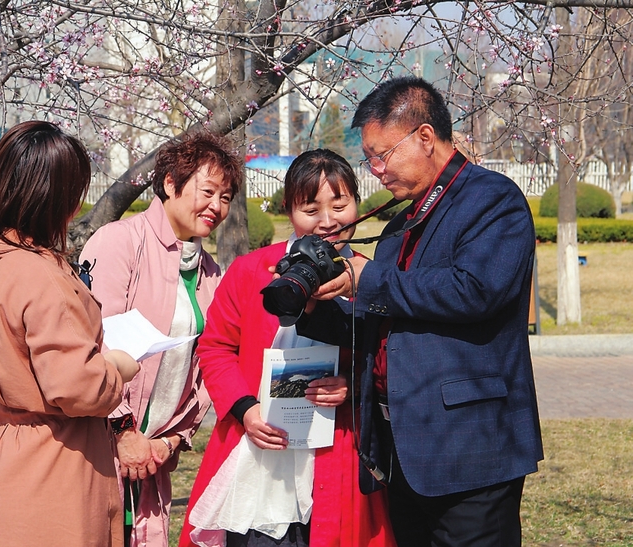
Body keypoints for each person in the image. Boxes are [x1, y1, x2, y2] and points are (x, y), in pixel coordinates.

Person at [297, 76, 544, 546]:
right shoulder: (401, 222)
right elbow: (382, 320)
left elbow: (475, 290)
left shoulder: (492, 198)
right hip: (404, 450)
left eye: (381, 154)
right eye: (368, 158)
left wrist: (366, 278)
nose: (375, 170)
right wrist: (314, 305)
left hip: (471, 449)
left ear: (425, 137)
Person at [0, 121, 140, 547]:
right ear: (57, 198)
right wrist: (116, 367)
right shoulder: (40, 273)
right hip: (43, 469)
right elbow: (77, 386)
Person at [179, 149, 395, 547]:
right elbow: (215, 347)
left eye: (340, 205)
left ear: (357, 205)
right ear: (289, 209)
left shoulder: (371, 278)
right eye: (310, 208)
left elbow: (388, 358)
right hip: (260, 443)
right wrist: (245, 409)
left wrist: (351, 383)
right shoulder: (251, 270)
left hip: (337, 448)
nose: (327, 221)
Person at [79, 131, 244, 546]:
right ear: (170, 184)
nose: (217, 207)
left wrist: (173, 439)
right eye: (207, 191)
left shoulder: (211, 274)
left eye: (226, 197)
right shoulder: (119, 242)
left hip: (154, 458)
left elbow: (212, 361)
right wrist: (122, 430)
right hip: (100, 449)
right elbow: (91, 343)